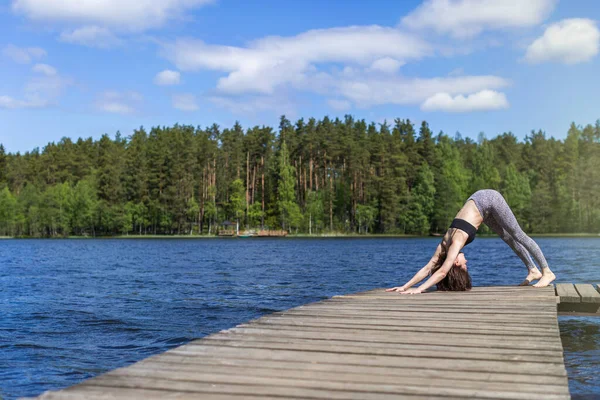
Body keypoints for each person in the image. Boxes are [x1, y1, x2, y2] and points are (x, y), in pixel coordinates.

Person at [386, 189, 556, 294]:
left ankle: (547, 271)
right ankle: (532, 270)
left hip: (489, 199)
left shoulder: (455, 243)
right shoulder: (443, 246)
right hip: (480, 205)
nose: (466, 260)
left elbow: (442, 272)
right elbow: (428, 268)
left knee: (518, 234)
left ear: (455, 263)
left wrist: (420, 289)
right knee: (507, 238)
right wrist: (405, 286)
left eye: (464, 264)